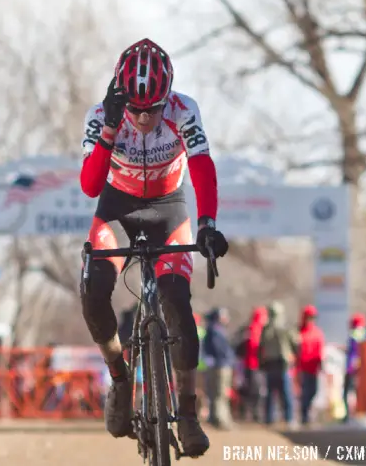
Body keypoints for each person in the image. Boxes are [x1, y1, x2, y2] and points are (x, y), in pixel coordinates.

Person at [79, 38, 228, 457]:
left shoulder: (184, 110)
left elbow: (201, 168)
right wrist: (110, 129)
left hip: (168, 207)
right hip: (117, 207)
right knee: (93, 291)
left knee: (177, 299)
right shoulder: (102, 116)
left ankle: (187, 409)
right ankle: (121, 380)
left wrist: (208, 224)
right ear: (120, 99)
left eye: (153, 109)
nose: (144, 118)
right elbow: (90, 186)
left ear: (168, 98)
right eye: (135, 109)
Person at [258, 301, 298, 425]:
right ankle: (288, 418)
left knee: (271, 393)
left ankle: (269, 418)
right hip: (282, 364)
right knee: (285, 393)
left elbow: (261, 347)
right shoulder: (285, 328)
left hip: (271, 364)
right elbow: (296, 343)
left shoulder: (266, 328)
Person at [203, 307, 235, 430]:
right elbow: (220, 350)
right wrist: (228, 358)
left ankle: (215, 418)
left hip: (217, 365)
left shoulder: (213, 330)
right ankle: (220, 419)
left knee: (216, 393)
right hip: (220, 366)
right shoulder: (216, 331)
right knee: (220, 393)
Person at [296, 305, 325, 425]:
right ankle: (304, 415)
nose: (310, 320)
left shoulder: (317, 332)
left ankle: (307, 411)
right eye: (308, 317)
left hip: (313, 367)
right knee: (305, 392)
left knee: (313, 391)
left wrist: (321, 364)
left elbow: (320, 349)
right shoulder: (299, 332)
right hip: (302, 368)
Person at [241, 306, 267, 422]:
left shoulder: (251, 328)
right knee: (255, 391)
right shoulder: (256, 328)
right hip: (253, 365)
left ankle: (251, 413)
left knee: (254, 390)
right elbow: (254, 345)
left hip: (252, 364)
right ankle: (253, 414)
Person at [343, 313, 366, 422]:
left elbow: (353, 353)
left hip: (352, 368)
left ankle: (349, 414)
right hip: (361, 369)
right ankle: (357, 413)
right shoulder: (365, 334)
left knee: (348, 393)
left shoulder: (354, 335)